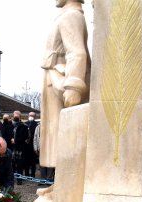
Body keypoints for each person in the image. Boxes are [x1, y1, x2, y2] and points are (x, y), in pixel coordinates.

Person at [40, 0, 91, 169]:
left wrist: (73, 86)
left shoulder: (71, 16)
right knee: (56, 134)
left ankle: (64, 185)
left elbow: (77, 52)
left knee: (63, 136)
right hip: (55, 75)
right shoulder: (66, 15)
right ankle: (59, 184)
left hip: (61, 77)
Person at [12, 111, 29, 184]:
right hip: (11, 147)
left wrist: (15, 140)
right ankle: (11, 180)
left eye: (17, 115)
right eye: (15, 115)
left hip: (20, 148)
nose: (16, 116)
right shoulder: (10, 125)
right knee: (11, 165)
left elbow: (25, 137)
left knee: (19, 165)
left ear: (20, 117)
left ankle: (19, 180)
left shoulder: (24, 126)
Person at [25, 112, 38, 178]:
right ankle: (26, 174)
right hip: (26, 145)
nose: (31, 116)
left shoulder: (36, 124)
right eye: (30, 115)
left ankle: (33, 174)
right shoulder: (25, 124)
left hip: (33, 145)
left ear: (35, 117)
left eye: (32, 116)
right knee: (26, 161)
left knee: (33, 162)